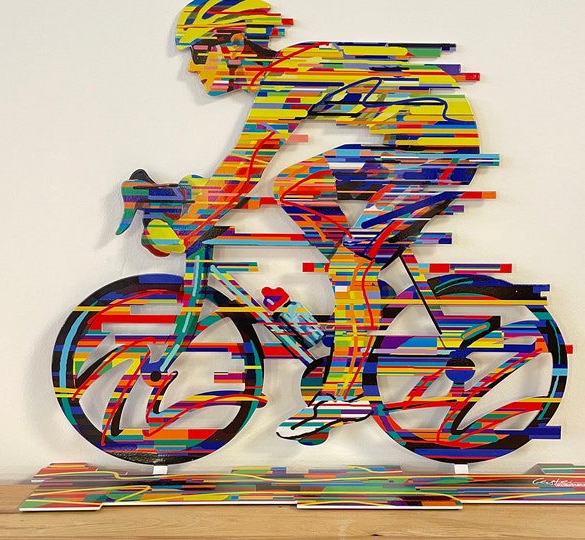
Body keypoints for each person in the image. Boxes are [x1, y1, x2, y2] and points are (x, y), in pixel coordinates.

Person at [121, 0, 493, 442]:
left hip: (439, 154)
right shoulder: (289, 71)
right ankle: (365, 286)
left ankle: (343, 395)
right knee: (294, 185)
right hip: (410, 144)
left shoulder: (288, 79)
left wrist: (184, 230)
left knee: (349, 269)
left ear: (233, 45)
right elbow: (239, 172)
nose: (191, 69)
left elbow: (244, 169)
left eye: (199, 53)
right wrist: (195, 199)